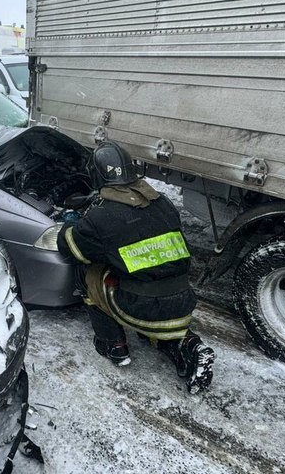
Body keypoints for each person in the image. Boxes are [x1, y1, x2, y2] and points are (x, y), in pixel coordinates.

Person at [57, 141, 215, 394]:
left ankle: (114, 345)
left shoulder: (101, 218)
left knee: (87, 273)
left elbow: (71, 248)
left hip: (142, 307)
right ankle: (187, 344)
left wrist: (71, 223)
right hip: (183, 300)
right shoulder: (163, 203)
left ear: (96, 176)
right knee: (149, 292)